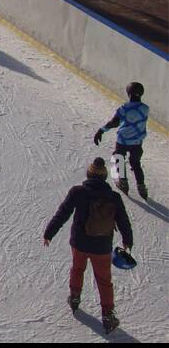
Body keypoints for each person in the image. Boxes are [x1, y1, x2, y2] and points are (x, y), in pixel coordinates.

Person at [44, 157, 133, 334]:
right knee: (104, 280)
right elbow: (123, 221)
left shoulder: (78, 192)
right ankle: (108, 315)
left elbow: (62, 214)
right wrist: (127, 240)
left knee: (77, 269)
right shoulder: (113, 197)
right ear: (104, 177)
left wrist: (49, 233)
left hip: (80, 243)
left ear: (89, 173)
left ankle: (75, 297)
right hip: (102, 246)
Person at [94, 82, 150, 199]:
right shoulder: (145, 108)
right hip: (137, 142)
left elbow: (114, 122)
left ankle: (123, 182)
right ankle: (141, 187)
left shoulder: (124, 108)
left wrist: (101, 130)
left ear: (129, 94)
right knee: (135, 163)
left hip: (123, 140)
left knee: (119, 158)